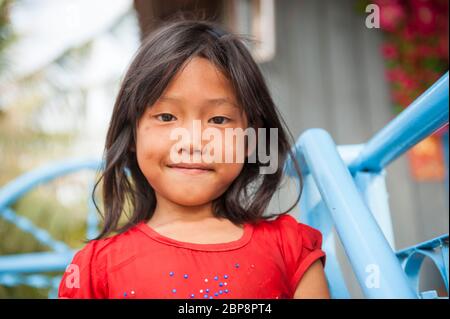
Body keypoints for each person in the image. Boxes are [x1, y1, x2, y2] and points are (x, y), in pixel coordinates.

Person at [58, 19, 329, 299]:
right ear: (132, 134)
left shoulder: (292, 250)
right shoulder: (95, 270)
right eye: (166, 117)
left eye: (218, 119)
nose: (192, 141)